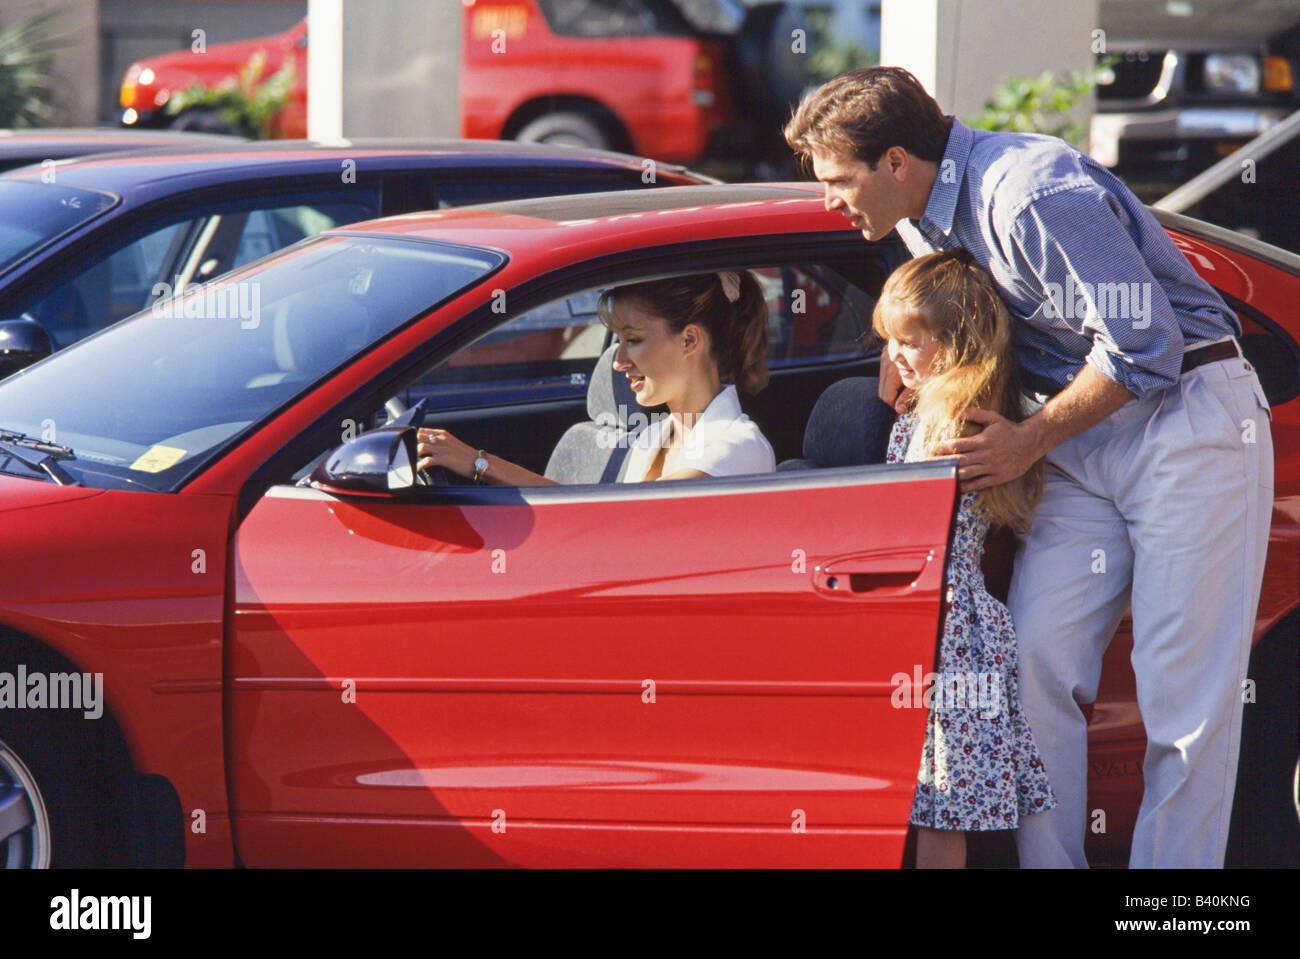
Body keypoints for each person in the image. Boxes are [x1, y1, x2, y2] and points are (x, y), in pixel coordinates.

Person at [785, 66, 1273, 868]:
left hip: (1186, 421)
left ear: (897, 161)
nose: (829, 200)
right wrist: (903, 350)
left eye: (839, 180)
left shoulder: (1029, 193)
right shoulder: (922, 216)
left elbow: (1146, 345)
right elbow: (976, 320)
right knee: (1037, 659)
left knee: (1185, 701)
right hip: (1080, 435)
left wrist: (1026, 440)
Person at [877, 248, 1055, 868]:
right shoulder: (932, 411)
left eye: (908, 341)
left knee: (941, 798)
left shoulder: (946, 426)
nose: (894, 355)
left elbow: (905, 522)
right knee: (936, 792)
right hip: (942, 621)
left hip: (946, 629)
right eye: (887, 341)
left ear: (952, 348)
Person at [416, 271, 775, 484]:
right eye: (618, 341)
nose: (616, 362)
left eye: (633, 340)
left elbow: (617, 517)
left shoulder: (738, 449)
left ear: (690, 339)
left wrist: (480, 464)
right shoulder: (651, 436)